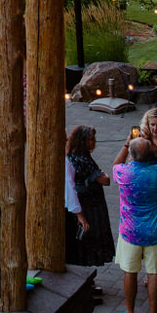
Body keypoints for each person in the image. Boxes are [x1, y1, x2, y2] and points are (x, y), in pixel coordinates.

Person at [112, 130, 157, 313]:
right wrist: (155, 147)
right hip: (155, 231)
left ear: (131, 154)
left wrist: (126, 144)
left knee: (130, 271)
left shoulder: (123, 173)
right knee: (155, 272)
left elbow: (114, 165)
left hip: (130, 231)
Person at [64, 126, 113, 298]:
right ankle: (85, 285)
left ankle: (86, 283)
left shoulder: (77, 156)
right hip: (88, 205)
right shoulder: (81, 159)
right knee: (86, 244)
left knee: (83, 245)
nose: (93, 143)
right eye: (90, 139)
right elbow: (105, 180)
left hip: (87, 203)